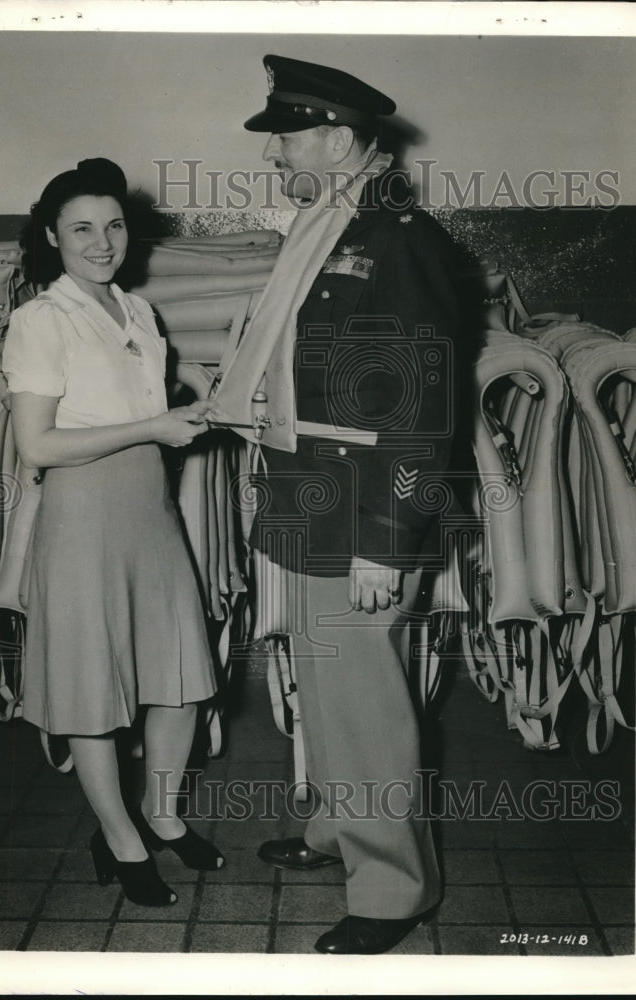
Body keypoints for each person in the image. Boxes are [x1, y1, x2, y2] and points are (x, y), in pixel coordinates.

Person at [214, 56, 464, 953]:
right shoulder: (325, 228)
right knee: (322, 687)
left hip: (364, 513)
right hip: (310, 495)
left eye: (287, 134)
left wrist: (387, 543)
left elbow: (423, 411)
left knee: (365, 700)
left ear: (339, 138)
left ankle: (394, 890)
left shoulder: (400, 242)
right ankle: (335, 829)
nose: (276, 151)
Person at [2, 157, 225, 909]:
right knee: (91, 690)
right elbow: (38, 445)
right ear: (52, 236)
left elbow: (142, 399)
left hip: (149, 512)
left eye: (114, 225)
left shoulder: (136, 311)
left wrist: (196, 402)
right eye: (82, 228)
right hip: (82, 515)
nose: (102, 241)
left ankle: (161, 815)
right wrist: (154, 425)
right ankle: (120, 837)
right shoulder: (41, 320)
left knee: (179, 680)